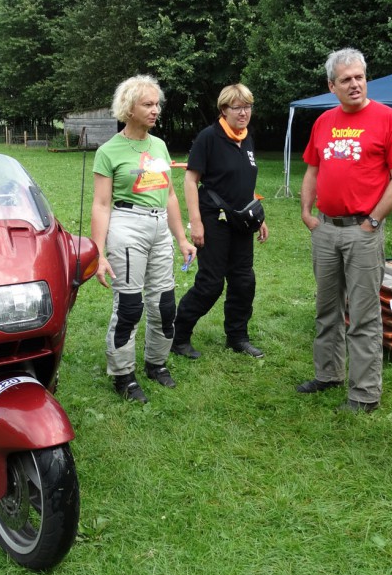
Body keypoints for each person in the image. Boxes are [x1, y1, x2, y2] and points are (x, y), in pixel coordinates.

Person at [296, 48, 392, 412]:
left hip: (362, 231)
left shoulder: (388, 119)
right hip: (326, 229)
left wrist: (374, 221)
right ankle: (328, 373)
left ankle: (365, 393)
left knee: (363, 314)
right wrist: (306, 213)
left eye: (359, 77)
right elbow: (312, 171)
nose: (354, 84)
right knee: (326, 308)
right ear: (331, 85)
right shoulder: (323, 122)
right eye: (346, 79)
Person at [91, 75, 196, 404]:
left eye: (157, 104)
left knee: (165, 304)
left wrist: (182, 238)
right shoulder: (109, 151)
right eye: (147, 104)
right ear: (128, 108)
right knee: (130, 306)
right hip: (126, 227)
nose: (155, 110)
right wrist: (98, 254)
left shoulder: (160, 146)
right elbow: (101, 204)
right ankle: (123, 374)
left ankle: (156, 363)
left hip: (159, 228)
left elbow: (170, 196)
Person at [172, 84, 269, 360]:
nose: (243, 113)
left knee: (243, 281)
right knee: (210, 284)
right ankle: (179, 337)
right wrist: (196, 222)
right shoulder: (209, 138)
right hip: (213, 220)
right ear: (223, 110)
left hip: (242, 221)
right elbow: (191, 180)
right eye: (237, 107)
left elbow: (243, 180)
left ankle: (237, 337)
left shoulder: (247, 138)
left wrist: (258, 214)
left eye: (247, 106)